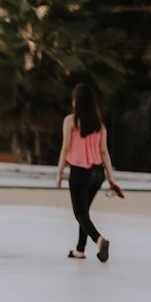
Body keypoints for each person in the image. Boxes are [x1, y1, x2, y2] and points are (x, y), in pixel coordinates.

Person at [55, 82, 123, 262]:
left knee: (80, 214)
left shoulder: (70, 121)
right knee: (84, 211)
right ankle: (80, 250)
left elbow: (65, 148)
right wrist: (111, 179)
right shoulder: (99, 125)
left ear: (76, 102)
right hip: (97, 174)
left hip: (79, 173)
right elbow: (104, 152)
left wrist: (59, 174)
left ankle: (100, 240)